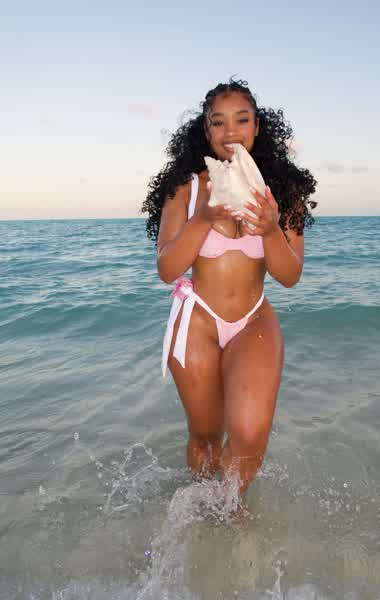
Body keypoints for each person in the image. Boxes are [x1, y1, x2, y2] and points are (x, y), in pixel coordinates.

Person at [142, 79, 316, 495]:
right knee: (205, 436)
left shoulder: (282, 192)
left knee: (249, 434)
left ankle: (229, 505)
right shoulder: (187, 188)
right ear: (206, 130)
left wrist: (271, 229)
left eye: (242, 120)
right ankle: (203, 507)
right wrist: (203, 217)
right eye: (218, 122)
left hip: (253, 320)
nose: (230, 131)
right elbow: (167, 268)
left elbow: (290, 276)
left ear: (257, 127)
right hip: (198, 320)